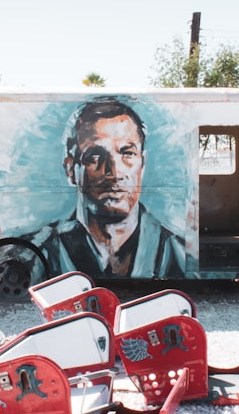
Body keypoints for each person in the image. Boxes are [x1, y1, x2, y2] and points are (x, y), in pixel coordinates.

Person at [26, 97, 187, 279]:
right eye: (95, 156)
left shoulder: (177, 253)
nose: (115, 172)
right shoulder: (38, 253)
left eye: (127, 153)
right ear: (71, 169)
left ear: (143, 164)